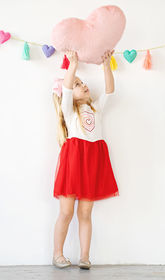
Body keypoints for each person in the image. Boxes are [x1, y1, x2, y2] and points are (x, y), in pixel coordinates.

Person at [52, 50, 119, 269]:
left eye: (83, 83)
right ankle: (57, 254)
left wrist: (106, 65)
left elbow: (110, 91)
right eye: (79, 84)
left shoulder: (95, 107)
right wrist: (73, 65)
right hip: (73, 163)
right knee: (66, 211)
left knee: (85, 212)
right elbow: (68, 88)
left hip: (92, 162)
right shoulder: (69, 110)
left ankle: (84, 256)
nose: (82, 86)